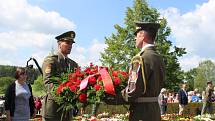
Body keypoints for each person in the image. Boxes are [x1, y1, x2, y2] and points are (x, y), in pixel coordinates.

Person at [120, 22, 165, 121]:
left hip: (141, 113)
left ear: (142, 35)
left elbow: (133, 91)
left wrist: (117, 94)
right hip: (154, 111)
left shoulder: (141, 58)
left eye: (136, 36)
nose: (135, 39)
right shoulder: (158, 58)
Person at [42, 31, 78, 121]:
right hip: (53, 110)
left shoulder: (73, 64)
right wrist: (63, 94)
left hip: (67, 111)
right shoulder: (51, 60)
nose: (70, 46)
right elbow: (48, 82)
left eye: (71, 44)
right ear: (59, 44)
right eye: (67, 43)